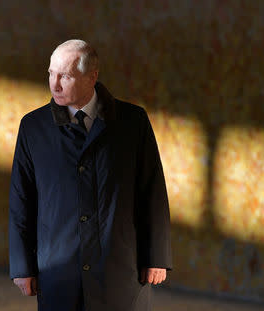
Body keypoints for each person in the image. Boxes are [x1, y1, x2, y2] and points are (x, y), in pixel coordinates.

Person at [9, 39, 172, 311]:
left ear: (92, 77)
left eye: (66, 76)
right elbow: (21, 200)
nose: (55, 84)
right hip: (58, 269)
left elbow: (152, 192)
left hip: (120, 267)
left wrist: (156, 256)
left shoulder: (133, 122)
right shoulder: (33, 127)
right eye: (51, 73)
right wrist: (22, 266)